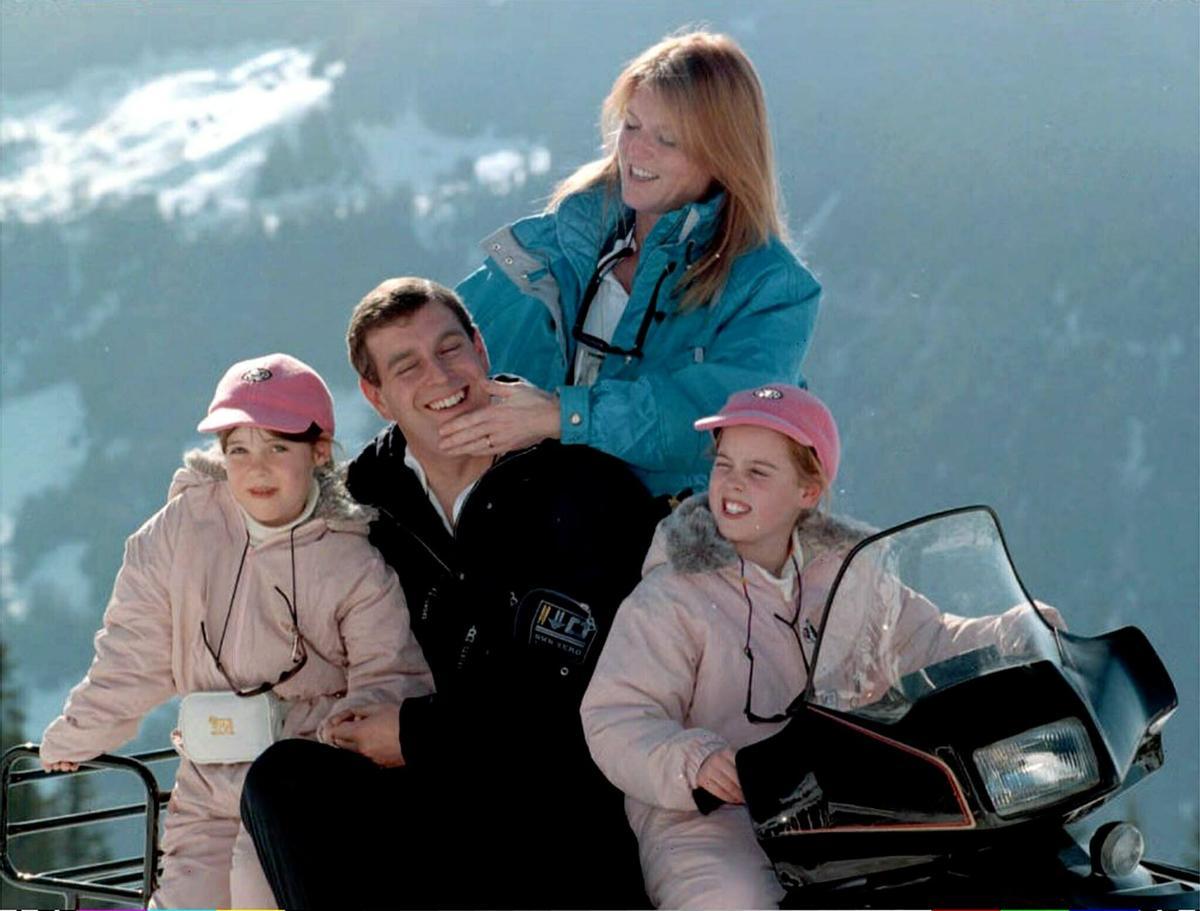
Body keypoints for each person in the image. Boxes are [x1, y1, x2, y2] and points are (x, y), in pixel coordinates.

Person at [239, 277, 662, 908]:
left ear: (482, 350)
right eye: (406, 365)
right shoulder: (360, 511)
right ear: (375, 396)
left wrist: (415, 735)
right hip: (424, 809)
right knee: (285, 781)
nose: (439, 377)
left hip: (560, 815)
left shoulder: (586, 489)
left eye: (449, 349)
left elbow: (580, 703)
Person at [580, 384, 1058, 909]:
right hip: (713, 816)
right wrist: (696, 762)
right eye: (724, 465)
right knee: (733, 899)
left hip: (845, 801)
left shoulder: (851, 573)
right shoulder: (672, 595)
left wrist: (1009, 631)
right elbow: (619, 714)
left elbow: (927, 638)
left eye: (758, 472)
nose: (732, 483)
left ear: (808, 492)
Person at [38, 353, 433, 910]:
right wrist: (79, 733)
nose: (257, 469)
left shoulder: (352, 561)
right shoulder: (182, 531)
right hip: (206, 780)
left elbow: (389, 678)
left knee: (258, 894)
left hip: (291, 788)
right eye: (238, 449)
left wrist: (334, 745)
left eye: (278, 447)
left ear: (318, 452)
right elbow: (134, 648)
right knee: (185, 901)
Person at [445, 30, 821, 498]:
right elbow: (444, 345)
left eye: (667, 139)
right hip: (521, 533)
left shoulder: (770, 288)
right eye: (633, 125)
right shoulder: (563, 241)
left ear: (724, 155)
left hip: (670, 550)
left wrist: (564, 416)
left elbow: (719, 420)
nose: (636, 151)